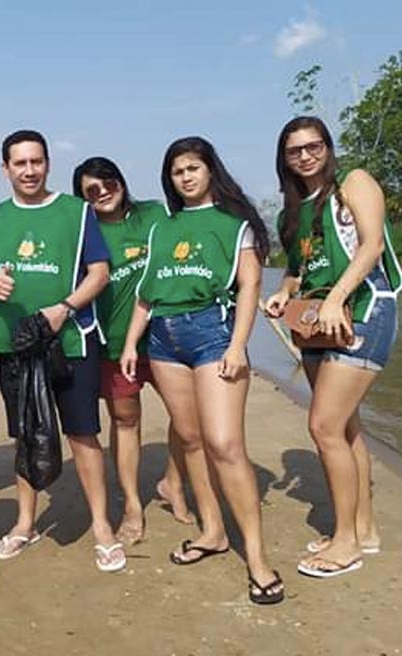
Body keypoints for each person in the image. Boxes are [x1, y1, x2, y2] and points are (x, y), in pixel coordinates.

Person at [122, 136, 284, 604]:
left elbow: (251, 286)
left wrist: (238, 346)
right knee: (189, 437)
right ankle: (212, 531)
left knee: (225, 444)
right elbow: (146, 294)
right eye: (177, 171)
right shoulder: (163, 228)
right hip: (164, 339)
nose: (186, 177)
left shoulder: (236, 225)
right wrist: (133, 341)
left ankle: (256, 557)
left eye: (193, 167)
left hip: (213, 333)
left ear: (210, 169)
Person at [0, 130, 126, 572]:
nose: (29, 170)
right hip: (15, 343)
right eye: (20, 163)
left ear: (48, 164)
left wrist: (65, 307)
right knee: (27, 433)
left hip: (71, 339)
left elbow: (100, 273)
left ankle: (102, 527)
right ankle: (25, 523)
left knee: (82, 434)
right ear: (6, 169)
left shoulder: (76, 213)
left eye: (36, 161)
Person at [265, 116, 402, 578]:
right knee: (346, 428)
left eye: (313, 146)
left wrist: (339, 298)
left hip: (361, 310)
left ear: (328, 146)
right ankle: (363, 529)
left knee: (324, 427)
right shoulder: (295, 208)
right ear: (284, 158)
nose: (305, 155)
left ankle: (345, 544)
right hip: (314, 321)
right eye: (295, 150)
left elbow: (370, 247)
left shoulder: (354, 182)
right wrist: (284, 292)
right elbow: (296, 268)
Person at [71, 156, 193, 545]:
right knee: (126, 420)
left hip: (165, 339)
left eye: (108, 181)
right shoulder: (82, 233)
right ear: (83, 198)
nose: (103, 191)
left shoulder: (154, 215)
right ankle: (133, 507)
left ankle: (173, 482)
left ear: (121, 180)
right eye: (91, 189)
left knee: (189, 420)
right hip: (111, 345)